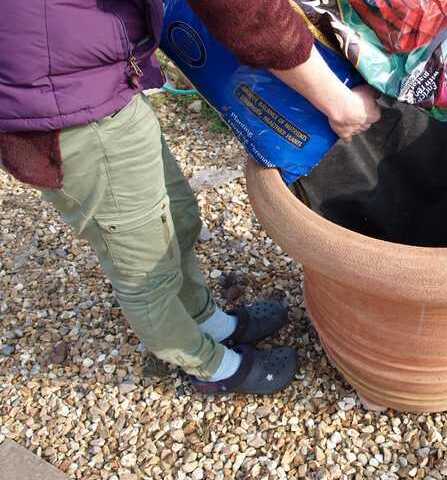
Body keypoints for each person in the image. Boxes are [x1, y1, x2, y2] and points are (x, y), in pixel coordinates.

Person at [0, 0, 381, 394]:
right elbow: (245, 11)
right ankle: (210, 366)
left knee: (178, 217)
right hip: (61, 107)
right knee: (146, 269)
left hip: (95, 81)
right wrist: (338, 102)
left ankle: (207, 320)